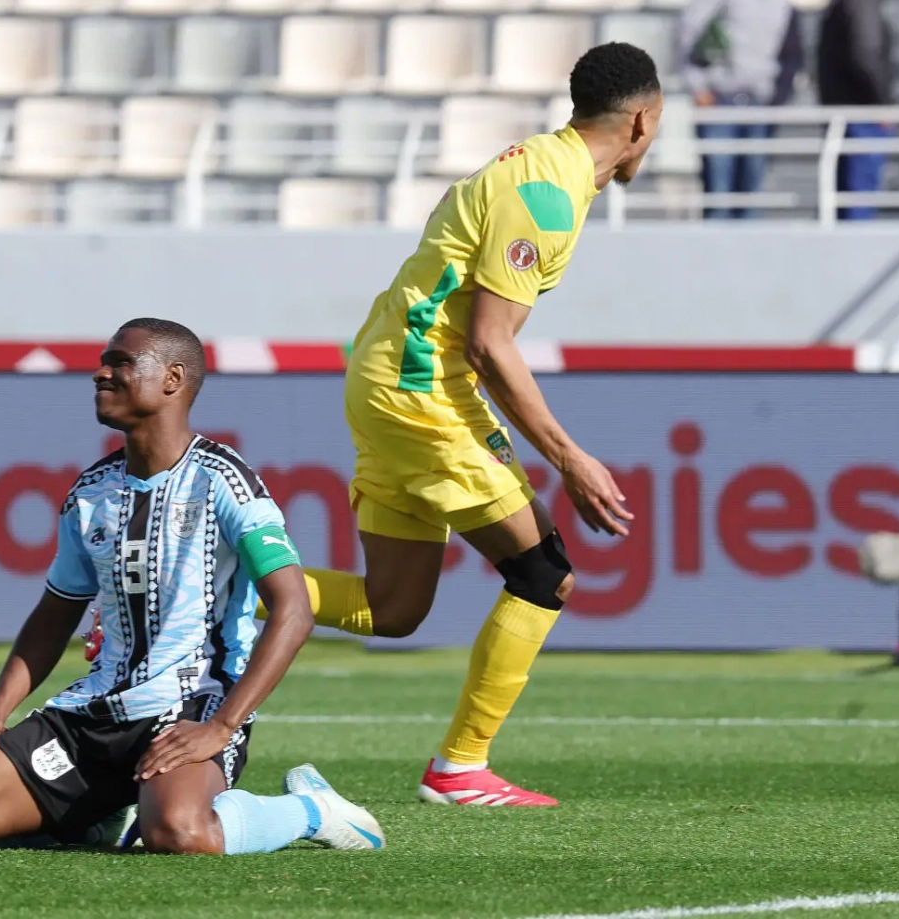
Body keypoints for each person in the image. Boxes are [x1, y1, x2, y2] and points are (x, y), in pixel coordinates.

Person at [254, 43, 662, 806]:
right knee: (543, 573)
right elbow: (489, 344)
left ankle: (206, 589)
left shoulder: (535, 166)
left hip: (392, 377)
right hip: (422, 392)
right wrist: (570, 458)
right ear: (644, 120)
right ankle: (461, 767)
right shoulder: (546, 194)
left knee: (393, 608)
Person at [0, 319, 385, 855]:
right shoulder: (90, 491)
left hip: (189, 707)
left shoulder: (225, 480)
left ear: (173, 378)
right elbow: (56, 613)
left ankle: (312, 809)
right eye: (104, 362)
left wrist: (222, 726)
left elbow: (293, 611)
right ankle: (90, 816)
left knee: (178, 833)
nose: (101, 373)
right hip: (93, 711)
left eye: (120, 362)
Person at [679, 0, 805, 219]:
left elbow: (792, 56)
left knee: (751, 189)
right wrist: (697, 87)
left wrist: (777, 98)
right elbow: (686, 37)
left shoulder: (781, 3)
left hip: (759, 105)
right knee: (718, 189)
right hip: (720, 103)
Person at [819, 0, 898, 220]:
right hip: (863, 115)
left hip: (846, 112)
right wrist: (882, 104)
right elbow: (865, 55)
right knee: (859, 198)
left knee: (846, 196)